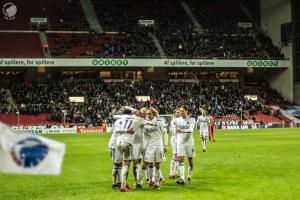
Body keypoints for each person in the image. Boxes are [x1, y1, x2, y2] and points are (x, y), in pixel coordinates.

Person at [135, 108, 168, 190]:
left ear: (154, 114)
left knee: (157, 165)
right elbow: (144, 136)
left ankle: (156, 184)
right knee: (145, 164)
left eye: (149, 114)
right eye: (147, 114)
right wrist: (143, 147)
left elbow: (165, 134)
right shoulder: (145, 123)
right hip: (149, 146)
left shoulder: (160, 122)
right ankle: (139, 183)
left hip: (158, 146)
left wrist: (166, 145)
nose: (148, 115)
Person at [174, 106, 196, 185]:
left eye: (183, 111)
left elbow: (191, 130)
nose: (181, 112)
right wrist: (176, 142)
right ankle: (182, 179)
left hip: (189, 142)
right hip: (180, 142)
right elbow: (176, 132)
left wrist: (182, 130)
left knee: (190, 160)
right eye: (180, 111)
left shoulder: (192, 119)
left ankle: (189, 176)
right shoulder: (177, 120)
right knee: (180, 159)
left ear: (187, 111)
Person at [169, 108, 181, 179]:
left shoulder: (180, 120)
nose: (178, 113)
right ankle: (171, 172)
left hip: (179, 139)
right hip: (175, 139)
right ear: (174, 113)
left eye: (179, 112)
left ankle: (175, 172)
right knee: (175, 156)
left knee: (178, 157)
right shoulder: (174, 121)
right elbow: (174, 130)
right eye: (177, 112)